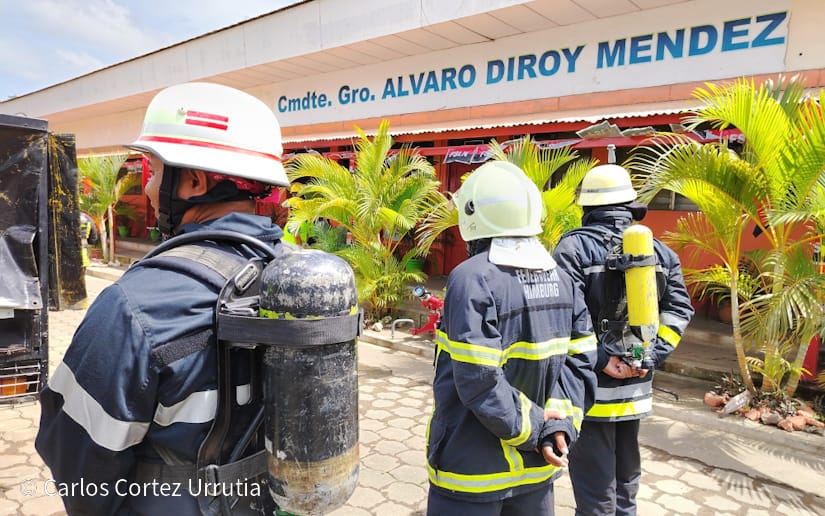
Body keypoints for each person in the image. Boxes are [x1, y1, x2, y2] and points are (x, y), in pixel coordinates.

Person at [36, 82, 290, 515]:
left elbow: (78, 464)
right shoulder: (301, 280)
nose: (148, 189)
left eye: (151, 171)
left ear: (193, 181)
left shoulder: (134, 306)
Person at [426, 160, 598, 516]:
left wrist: (537, 430)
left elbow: (479, 380)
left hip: (471, 474)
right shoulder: (562, 278)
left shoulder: (471, 278)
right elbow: (581, 365)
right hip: (536, 473)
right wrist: (558, 429)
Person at [552, 164, 695, 516]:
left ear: (587, 208)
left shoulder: (572, 249)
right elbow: (679, 310)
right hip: (637, 386)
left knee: (594, 485)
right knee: (626, 479)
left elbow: (563, 316)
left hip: (590, 389)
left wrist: (602, 360)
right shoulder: (660, 252)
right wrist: (652, 354)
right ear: (630, 205)